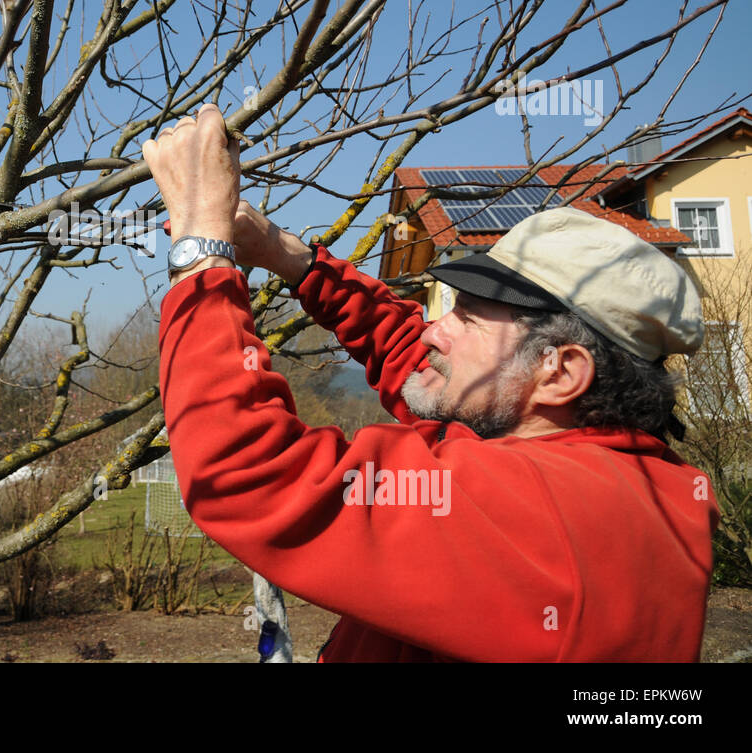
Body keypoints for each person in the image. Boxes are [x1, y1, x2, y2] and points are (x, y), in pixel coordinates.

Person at [142, 103, 719, 661]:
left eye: (466, 316)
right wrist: (290, 258)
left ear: (561, 372)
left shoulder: (548, 518)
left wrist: (201, 252)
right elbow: (414, 357)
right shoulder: (592, 468)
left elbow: (248, 471)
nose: (434, 329)